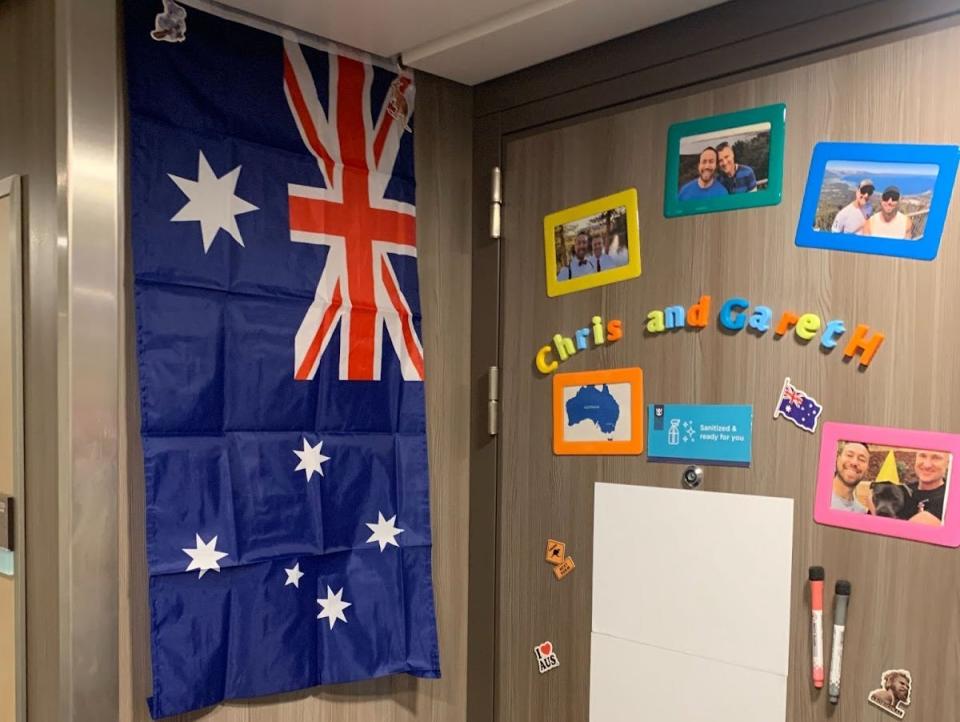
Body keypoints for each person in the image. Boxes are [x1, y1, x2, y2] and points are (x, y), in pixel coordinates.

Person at [897, 449, 949, 524]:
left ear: (948, 463)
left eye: (936, 458)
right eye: (922, 456)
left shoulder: (951, 499)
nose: (927, 465)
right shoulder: (902, 490)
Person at [831, 441, 870, 513]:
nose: (854, 462)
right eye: (849, 455)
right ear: (837, 458)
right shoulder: (815, 497)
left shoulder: (861, 512)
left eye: (862, 459)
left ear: (867, 469)